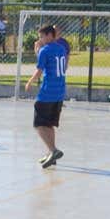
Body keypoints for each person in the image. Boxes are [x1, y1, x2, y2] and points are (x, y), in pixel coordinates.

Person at [25, 24, 67, 169]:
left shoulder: (45, 50)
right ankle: (51, 153)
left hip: (47, 92)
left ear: (50, 35)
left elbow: (39, 70)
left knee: (39, 124)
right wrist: (39, 51)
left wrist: (29, 82)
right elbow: (53, 62)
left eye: (42, 36)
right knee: (48, 124)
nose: (40, 39)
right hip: (59, 92)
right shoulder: (61, 48)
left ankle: (54, 150)